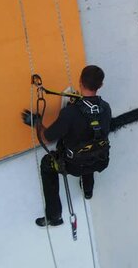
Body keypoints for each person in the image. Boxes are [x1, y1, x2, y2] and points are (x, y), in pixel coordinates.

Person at [22, 65, 112, 227]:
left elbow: (47, 137)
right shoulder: (106, 108)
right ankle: (88, 190)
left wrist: (36, 123)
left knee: (46, 164)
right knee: (91, 145)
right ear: (101, 86)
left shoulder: (70, 114)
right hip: (100, 160)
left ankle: (54, 216)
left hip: (74, 165)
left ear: (80, 82)